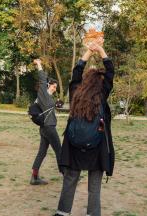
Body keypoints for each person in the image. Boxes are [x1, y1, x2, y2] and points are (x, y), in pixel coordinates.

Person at [55, 39, 115, 216]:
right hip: (96, 147)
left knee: (70, 179)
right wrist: (100, 50)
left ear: (85, 81)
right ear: (100, 82)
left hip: (74, 145)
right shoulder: (102, 93)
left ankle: (62, 213)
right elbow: (111, 72)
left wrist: (88, 51)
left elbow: (76, 71)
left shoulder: (76, 91)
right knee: (94, 186)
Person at [30, 59, 62, 185]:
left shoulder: (48, 97)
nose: (55, 89)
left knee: (42, 152)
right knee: (59, 150)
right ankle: (66, 174)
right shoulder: (43, 92)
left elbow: (49, 107)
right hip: (48, 128)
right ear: (48, 85)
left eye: (56, 87)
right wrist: (39, 64)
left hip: (44, 128)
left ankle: (34, 177)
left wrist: (57, 104)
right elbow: (42, 78)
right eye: (54, 86)